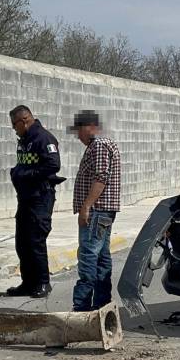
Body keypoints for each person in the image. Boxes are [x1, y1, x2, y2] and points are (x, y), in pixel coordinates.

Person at [7, 105, 63, 297]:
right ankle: (28, 282)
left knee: (35, 240)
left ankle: (43, 282)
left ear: (24, 121)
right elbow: (25, 163)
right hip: (25, 198)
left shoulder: (43, 138)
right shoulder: (25, 140)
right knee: (22, 242)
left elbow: (53, 164)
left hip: (40, 197)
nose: (14, 129)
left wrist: (27, 174)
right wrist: (17, 172)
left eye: (15, 125)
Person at [70, 110, 122, 312]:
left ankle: (82, 306)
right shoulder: (102, 144)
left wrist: (86, 206)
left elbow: (101, 178)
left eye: (79, 132)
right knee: (101, 257)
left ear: (88, 127)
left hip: (97, 211)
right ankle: (102, 303)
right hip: (103, 211)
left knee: (89, 256)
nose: (79, 137)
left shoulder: (99, 145)